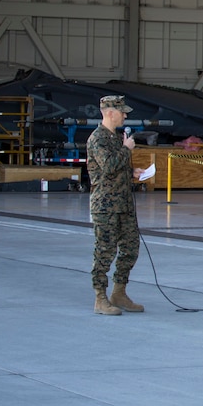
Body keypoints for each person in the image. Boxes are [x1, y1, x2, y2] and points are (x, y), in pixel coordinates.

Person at [87, 95, 144, 315]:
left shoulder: (115, 137)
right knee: (105, 251)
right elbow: (109, 166)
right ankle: (100, 298)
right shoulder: (98, 139)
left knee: (131, 248)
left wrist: (132, 172)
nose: (125, 115)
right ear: (110, 113)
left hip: (124, 204)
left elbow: (116, 169)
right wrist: (127, 149)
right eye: (122, 112)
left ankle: (119, 292)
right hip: (106, 206)